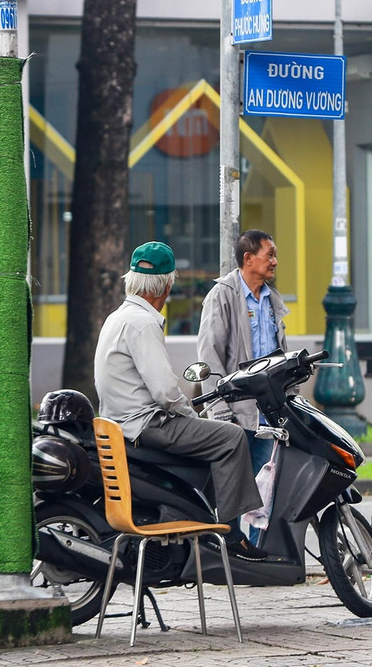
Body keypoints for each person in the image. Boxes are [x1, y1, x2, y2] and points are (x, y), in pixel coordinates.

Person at [94, 241, 267, 560]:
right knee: (230, 437)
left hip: (124, 423)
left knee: (213, 438)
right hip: (146, 425)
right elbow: (165, 392)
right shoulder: (143, 323)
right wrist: (191, 415)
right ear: (167, 285)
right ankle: (229, 535)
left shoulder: (118, 317)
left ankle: (204, 522)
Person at [197, 230, 289, 472]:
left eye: (275, 256)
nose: (275, 262)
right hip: (235, 416)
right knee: (238, 493)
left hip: (269, 415)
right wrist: (220, 412)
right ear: (248, 258)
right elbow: (209, 357)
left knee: (264, 490)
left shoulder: (271, 299)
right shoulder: (222, 295)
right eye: (269, 255)